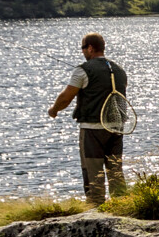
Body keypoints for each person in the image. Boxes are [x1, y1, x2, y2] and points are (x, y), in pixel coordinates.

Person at [46, 32, 128, 204]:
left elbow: (66, 97)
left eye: (83, 48)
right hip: (116, 129)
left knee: (93, 174)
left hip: (92, 130)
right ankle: (122, 206)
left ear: (90, 48)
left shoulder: (83, 70)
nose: (82, 52)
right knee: (116, 173)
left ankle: (95, 210)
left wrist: (54, 110)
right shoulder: (120, 70)